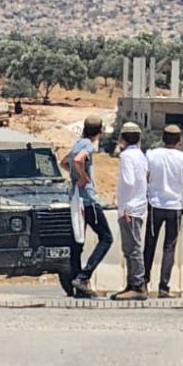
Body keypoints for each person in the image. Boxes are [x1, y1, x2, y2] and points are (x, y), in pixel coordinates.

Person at [61, 115, 113, 298]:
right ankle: (84, 276)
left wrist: (74, 177)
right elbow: (77, 161)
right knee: (106, 238)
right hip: (88, 200)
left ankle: (77, 284)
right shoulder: (89, 146)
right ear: (99, 132)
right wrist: (83, 177)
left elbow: (65, 162)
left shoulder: (77, 143)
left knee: (77, 242)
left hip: (75, 198)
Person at [143, 124, 183, 298]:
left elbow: (146, 178)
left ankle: (143, 283)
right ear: (179, 140)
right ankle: (164, 288)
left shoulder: (151, 155)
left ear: (162, 138)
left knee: (149, 245)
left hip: (155, 205)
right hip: (175, 207)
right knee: (169, 248)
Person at [111, 122, 149, 301]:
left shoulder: (126, 156)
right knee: (132, 247)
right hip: (139, 206)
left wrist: (124, 206)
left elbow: (128, 182)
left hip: (130, 208)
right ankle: (133, 283)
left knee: (132, 248)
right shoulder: (140, 155)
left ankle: (137, 285)